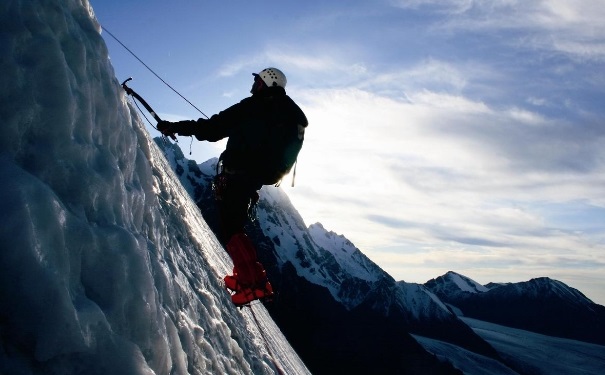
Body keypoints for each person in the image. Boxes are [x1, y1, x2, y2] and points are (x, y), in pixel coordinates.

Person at [157, 67, 308, 306]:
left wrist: (175, 127)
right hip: (256, 176)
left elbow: (212, 128)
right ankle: (251, 278)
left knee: (231, 227)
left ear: (266, 84)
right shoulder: (287, 113)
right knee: (235, 225)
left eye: (258, 81)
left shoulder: (255, 106)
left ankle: (252, 284)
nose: (254, 84)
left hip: (239, 173)